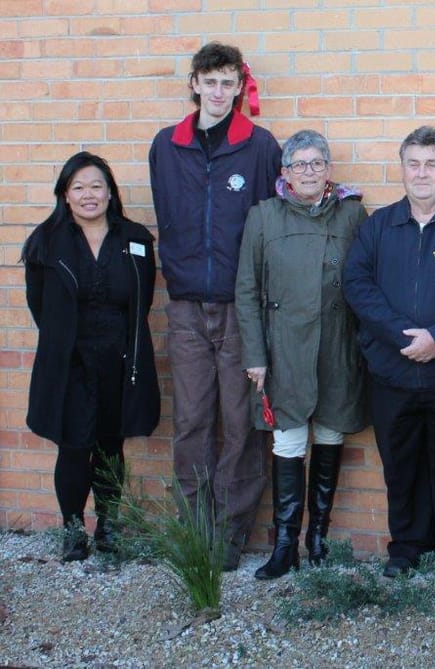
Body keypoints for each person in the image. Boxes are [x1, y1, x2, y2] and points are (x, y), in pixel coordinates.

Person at [149, 42, 282, 570]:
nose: (219, 92)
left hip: (239, 307)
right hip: (185, 305)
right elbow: (168, 212)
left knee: (240, 423)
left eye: (229, 82)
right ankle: (195, 531)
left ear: (240, 86)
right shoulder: (167, 146)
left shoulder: (260, 145)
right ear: (195, 84)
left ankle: (230, 535)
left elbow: (269, 223)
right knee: (191, 422)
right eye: (210, 81)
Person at [344, 126, 435, 585]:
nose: (422, 173)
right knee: (401, 466)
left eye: (432, 164)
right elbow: (356, 284)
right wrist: (400, 335)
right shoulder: (378, 226)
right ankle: (408, 547)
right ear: (402, 169)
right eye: (413, 164)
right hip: (393, 373)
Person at [235, 129, 370, 580]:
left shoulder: (352, 214)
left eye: (316, 163)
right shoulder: (263, 217)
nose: (308, 172)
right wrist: (255, 355)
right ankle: (284, 546)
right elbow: (247, 291)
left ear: (329, 169)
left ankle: (319, 541)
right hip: (284, 349)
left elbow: (367, 281)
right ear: (285, 172)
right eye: (299, 164)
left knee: (330, 435)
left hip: (336, 346)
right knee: (288, 442)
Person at [22, 152, 160, 562]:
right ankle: (72, 530)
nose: (88, 195)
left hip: (119, 361)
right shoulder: (46, 242)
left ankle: (108, 526)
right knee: (73, 446)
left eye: (96, 186)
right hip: (70, 364)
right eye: (78, 187)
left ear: (110, 192)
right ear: (65, 195)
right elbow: (39, 305)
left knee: (110, 446)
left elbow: (144, 299)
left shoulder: (135, 239)